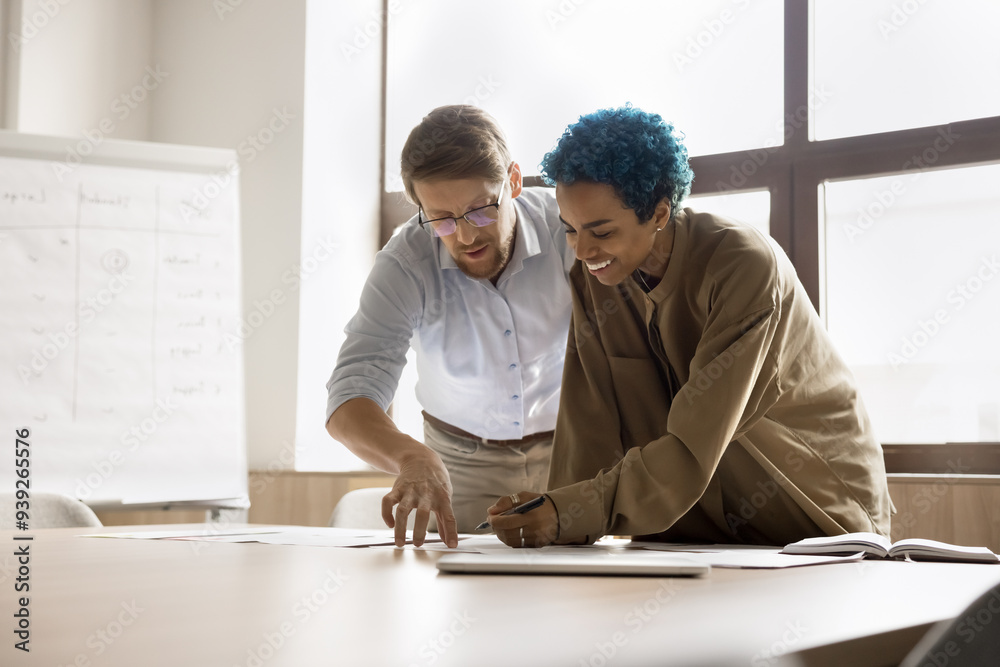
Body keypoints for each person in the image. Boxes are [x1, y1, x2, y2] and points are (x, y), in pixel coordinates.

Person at [489, 105, 893, 548]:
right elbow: (587, 424)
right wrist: (554, 518)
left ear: (659, 214)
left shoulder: (743, 266)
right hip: (693, 527)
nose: (582, 251)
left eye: (601, 232)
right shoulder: (595, 279)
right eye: (570, 230)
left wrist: (566, 515)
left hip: (813, 513)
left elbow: (692, 444)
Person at [326, 105, 573, 547]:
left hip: (573, 447)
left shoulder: (567, 230)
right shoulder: (406, 262)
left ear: (514, 182)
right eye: (440, 218)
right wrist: (410, 456)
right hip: (460, 462)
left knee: (582, 577)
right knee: (463, 579)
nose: (465, 236)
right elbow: (348, 399)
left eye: (480, 210)